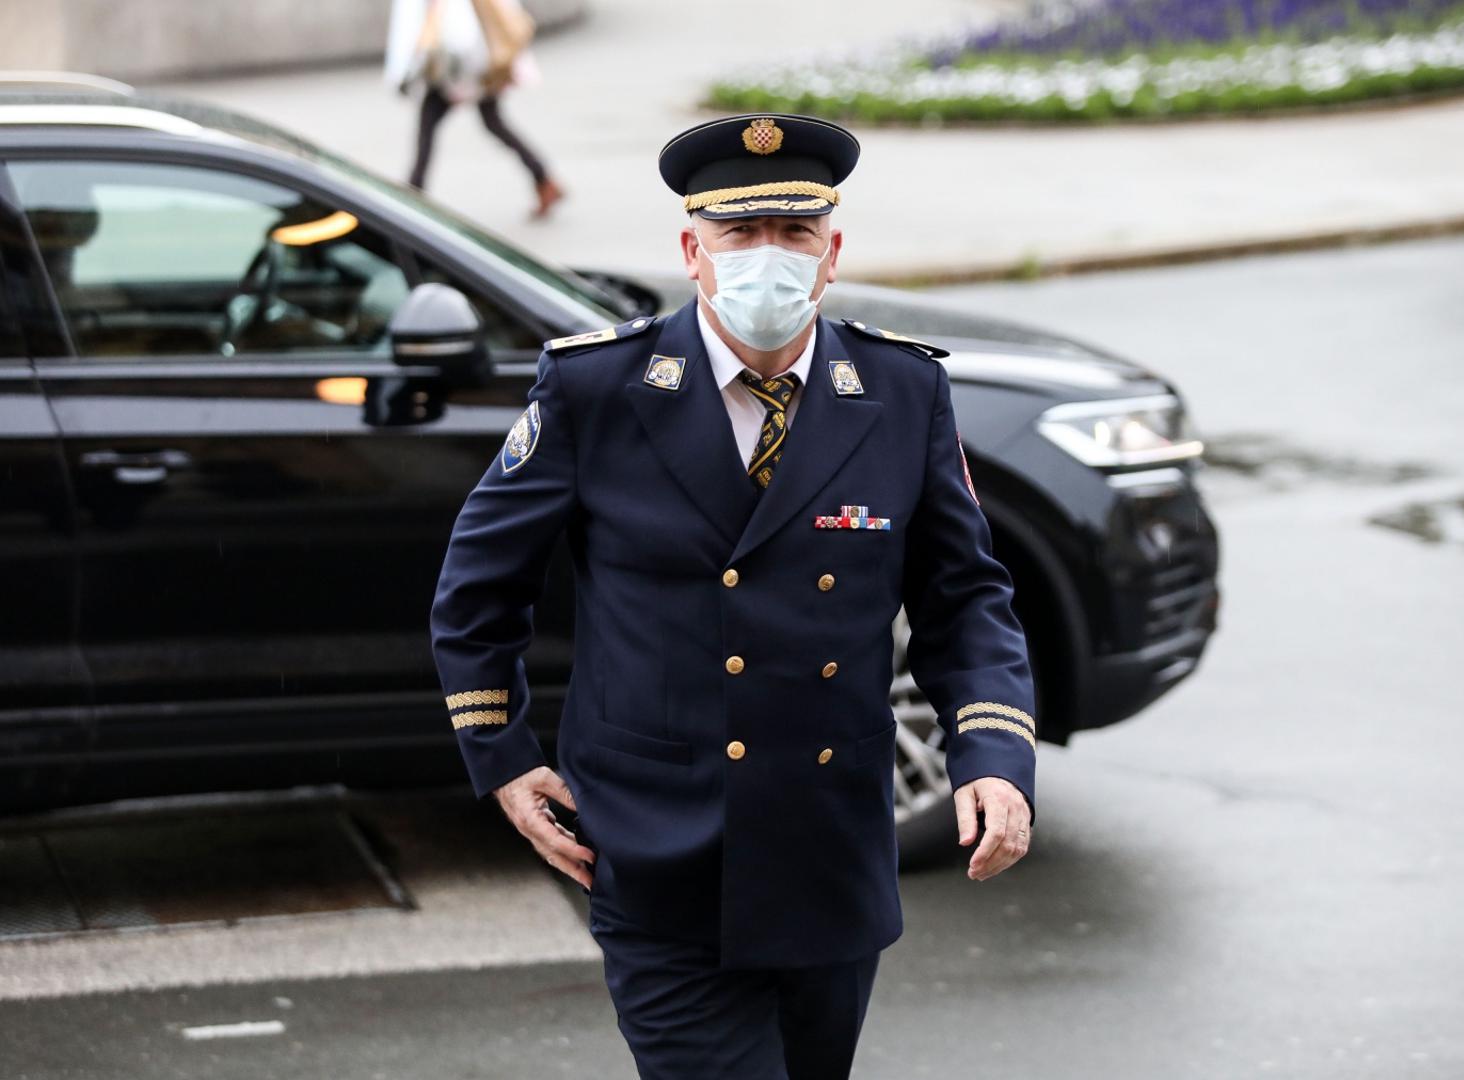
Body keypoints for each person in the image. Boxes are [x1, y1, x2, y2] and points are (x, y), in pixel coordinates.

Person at [430, 113, 1037, 1080]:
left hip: (829, 851)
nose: (768, 258)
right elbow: (478, 586)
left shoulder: (900, 389)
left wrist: (995, 752)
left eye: (794, 235)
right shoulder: (597, 388)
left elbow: (965, 598)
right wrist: (500, 755)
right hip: (659, 846)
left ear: (831, 253)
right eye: (738, 234)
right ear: (693, 250)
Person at [384, 0, 565, 218]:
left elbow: (458, 32)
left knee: (431, 124)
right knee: (492, 123)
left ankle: (414, 194)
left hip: (464, 68)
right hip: (474, 65)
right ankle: (543, 178)